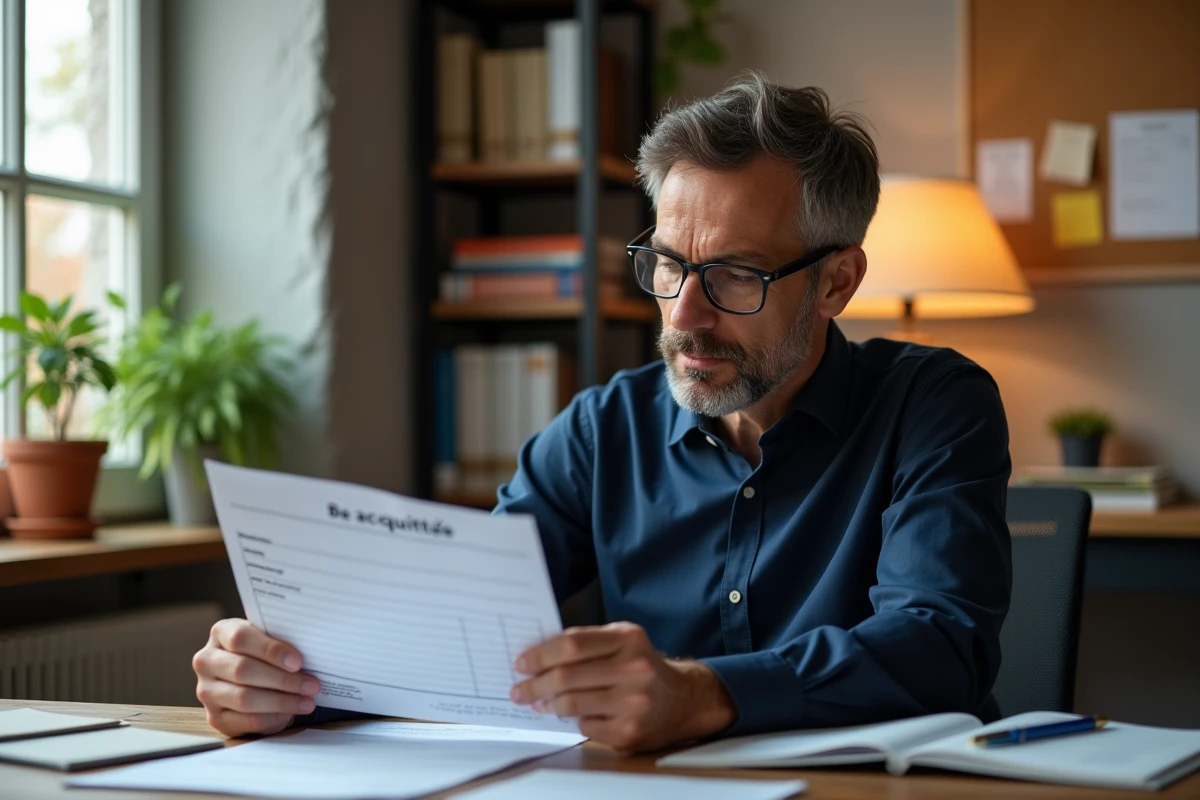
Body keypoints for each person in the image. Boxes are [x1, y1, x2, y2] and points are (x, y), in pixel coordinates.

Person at [192, 72, 1012, 753]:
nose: (684, 316)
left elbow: (940, 645)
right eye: (667, 265)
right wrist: (293, 685)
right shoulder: (600, 430)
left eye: (734, 275)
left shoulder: (933, 405)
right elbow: (459, 632)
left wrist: (701, 694)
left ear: (837, 281)